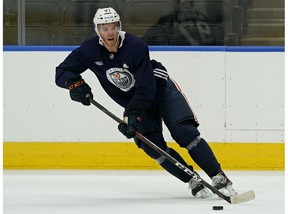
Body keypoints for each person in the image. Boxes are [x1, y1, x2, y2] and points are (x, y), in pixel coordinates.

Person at [55, 7, 237, 198]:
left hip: (160, 91)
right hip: (137, 103)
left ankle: (219, 177)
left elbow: (146, 88)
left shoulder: (135, 46)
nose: (109, 33)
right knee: (151, 145)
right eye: (104, 28)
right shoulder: (89, 50)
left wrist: (132, 114)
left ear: (119, 27)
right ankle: (192, 179)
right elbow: (62, 71)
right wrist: (75, 85)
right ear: (97, 30)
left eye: (113, 27)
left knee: (184, 132)